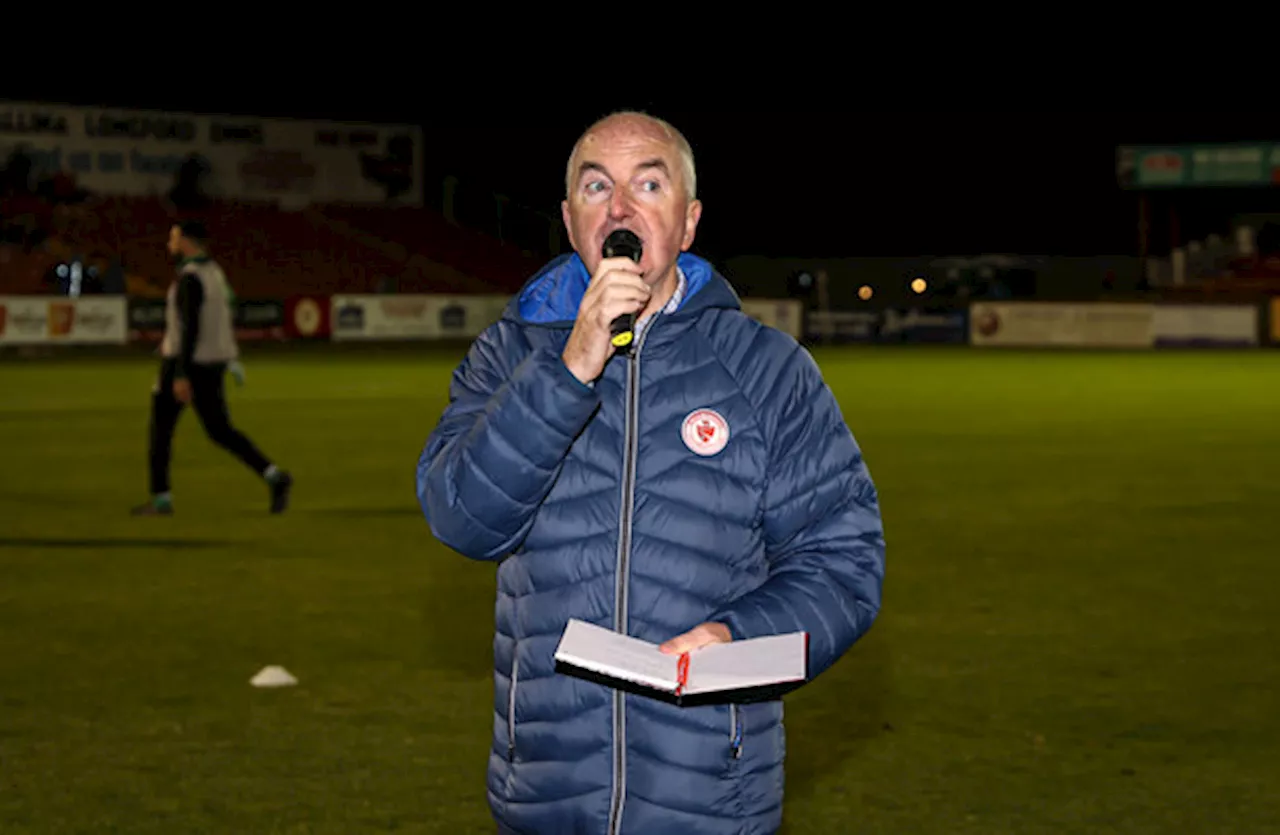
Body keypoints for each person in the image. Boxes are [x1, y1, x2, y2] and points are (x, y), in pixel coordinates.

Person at [416, 111, 886, 835]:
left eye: (650, 183)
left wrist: (741, 635)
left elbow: (844, 560)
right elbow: (463, 518)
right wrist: (570, 366)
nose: (622, 207)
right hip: (547, 796)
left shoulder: (767, 370)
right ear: (572, 220)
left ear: (689, 221)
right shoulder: (509, 355)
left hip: (711, 798)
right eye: (597, 185)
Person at [131, 220, 291, 516]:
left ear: (187, 242)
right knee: (220, 430)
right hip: (211, 364)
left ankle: (161, 499)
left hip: (186, 363)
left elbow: (189, 328)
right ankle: (273, 475)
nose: (170, 242)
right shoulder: (215, 274)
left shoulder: (190, 278)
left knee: (160, 432)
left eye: (174, 237)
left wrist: (180, 372)